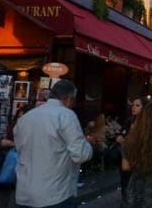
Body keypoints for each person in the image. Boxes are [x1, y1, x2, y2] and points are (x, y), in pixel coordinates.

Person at [14, 80, 93, 208]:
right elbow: (81, 154)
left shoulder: (26, 118)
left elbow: (20, 148)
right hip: (55, 194)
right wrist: (88, 143)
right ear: (68, 98)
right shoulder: (66, 115)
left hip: (24, 193)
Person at [116, 97, 148, 201]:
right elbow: (121, 134)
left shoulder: (147, 124)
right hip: (125, 158)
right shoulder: (129, 121)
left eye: (137, 105)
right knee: (125, 183)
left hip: (139, 160)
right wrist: (120, 137)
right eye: (133, 105)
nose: (133, 107)